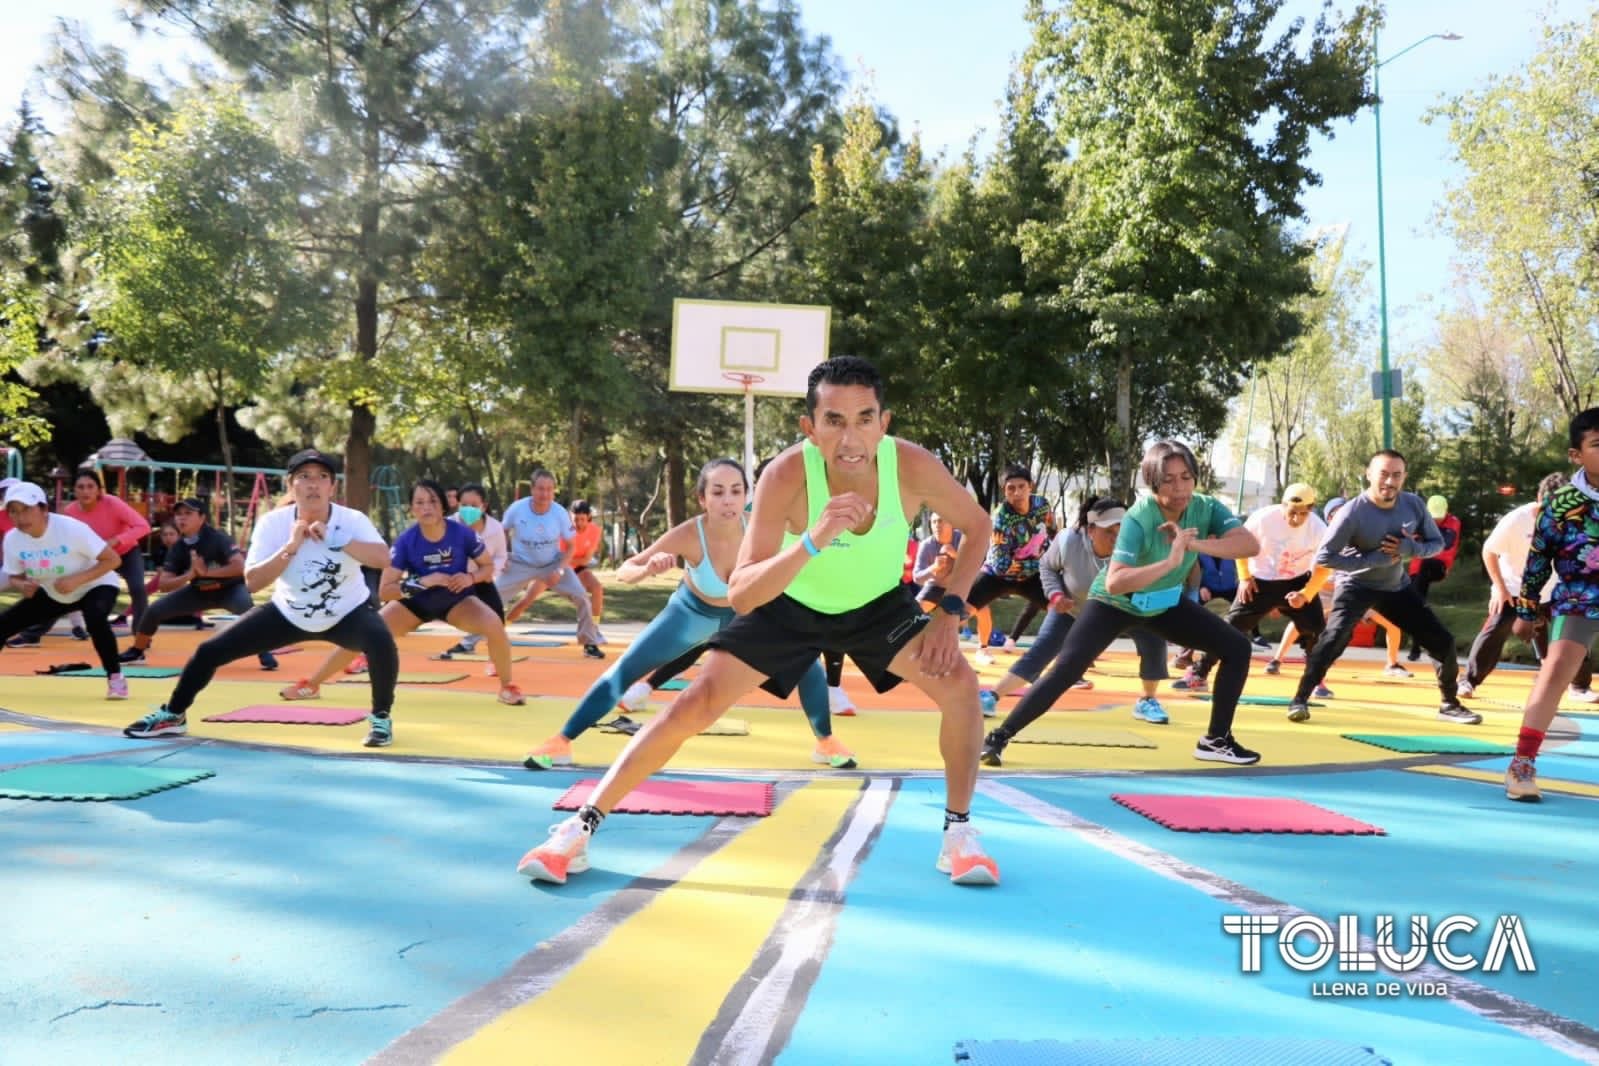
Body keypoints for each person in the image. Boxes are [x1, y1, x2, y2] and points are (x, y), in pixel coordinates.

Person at [517, 356, 1002, 886]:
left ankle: (958, 834)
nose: (850, 437)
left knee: (960, 685)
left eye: (865, 418)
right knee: (694, 702)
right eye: (834, 421)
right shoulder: (787, 475)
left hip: (878, 606)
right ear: (809, 428)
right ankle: (579, 827)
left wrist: (950, 612)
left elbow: (978, 527)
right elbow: (744, 593)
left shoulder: (912, 466)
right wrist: (814, 539)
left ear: (884, 423)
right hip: (788, 605)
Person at [521, 458, 854, 771]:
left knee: (808, 665)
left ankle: (825, 742)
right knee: (626, 669)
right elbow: (626, 570)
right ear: (702, 499)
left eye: (736, 492)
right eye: (718, 492)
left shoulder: (759, 525)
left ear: (746, 497)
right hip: (693, 613)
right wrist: (646, 569)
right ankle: (561, 741)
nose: (728, 501)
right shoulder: (689, 534)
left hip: (746, 616)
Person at [979, 441, 1263, 768]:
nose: (1180, 486)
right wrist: (1170, 563)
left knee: (1237, 648)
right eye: (1169, 479)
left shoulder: (1206, 507)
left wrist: (1193, 544)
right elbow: (1115, 580)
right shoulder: (1139, 518)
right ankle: (1000, 736)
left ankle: (1216, 739)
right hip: (1114, 603)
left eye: (1186, 477)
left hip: (1162, 605)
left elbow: (1249, 545)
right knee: (1066, 670)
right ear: (1154, 483)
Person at [122, 450, 401, 747]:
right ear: (291, 485)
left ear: (332, 487)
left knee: (382, 642)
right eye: (304, 477)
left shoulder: (351, 520)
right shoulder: (273, 523)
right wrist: (291, 546)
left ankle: (381, 718)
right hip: (288, 613)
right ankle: (173, 714)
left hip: (347, 612)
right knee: (208, 651)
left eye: (322, 478)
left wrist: (339, 539)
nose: (313, 485)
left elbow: (382, 558)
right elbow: (253, 582)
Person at [278, 479, 526, 706]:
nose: (426, 507)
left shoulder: (462, 533)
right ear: (412, 509)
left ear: (443, 506)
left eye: (432, 502)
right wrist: (425, 582)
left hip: (456, 601)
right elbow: (386, 591)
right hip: (415, 604)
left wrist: (470, 577)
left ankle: (507, 687)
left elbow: (488, 566)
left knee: (494, 623)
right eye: (419, 502)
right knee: (362, 635)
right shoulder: (407, 541)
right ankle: (312, 684)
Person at [1284, 450, 1478, 725]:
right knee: (1333, 640)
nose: (1390, 481)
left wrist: (1410, 548)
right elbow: (1325, 558)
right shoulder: (1353, 512)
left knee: (1442, 641)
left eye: (1396, 475)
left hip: (1395, 586)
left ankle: (1449, 703)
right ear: (1369, 475)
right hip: (1356, 585)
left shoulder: (1413, 505)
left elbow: (1437, 544)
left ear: (1404, 477)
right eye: (1384, 474)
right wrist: (1371, 560)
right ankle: (1300, 698)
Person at [980, 497, 1171, 722]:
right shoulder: (1069, 541)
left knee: (1154, 640)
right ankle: (991, 696)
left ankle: (1147, 700)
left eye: (1122, 529)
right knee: (1041, 651)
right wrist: (1055, 594)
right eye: (1109, 530)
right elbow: (1047, 566)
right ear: (1090, 530)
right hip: (1074, 609)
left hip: (1124, 608)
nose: (1117, 536)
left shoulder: (1136, 545)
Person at [1505, 408, 1599, 801]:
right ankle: (1522, 764)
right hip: (1579, 595)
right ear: (1576, 454)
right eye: (1598, 445)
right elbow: (1538, 560)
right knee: (1557, 668)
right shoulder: (1559, 504)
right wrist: (1527, 612)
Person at [1173, 483, 1327, 692]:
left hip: (1298, 582)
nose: (1296, 519)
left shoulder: (1319, 529)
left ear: (1311, 508)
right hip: (1260, 581)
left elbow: (1324, 567)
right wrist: (1244, 578)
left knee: (1316, 630)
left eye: (1303, 513)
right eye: (1292, 513)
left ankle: (1315, 680)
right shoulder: (1262, 518)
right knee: (1229, 627)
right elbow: (1241, 544)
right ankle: (1199, 673)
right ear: (1282, 505)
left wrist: (1306, 594)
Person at [1462, 473, 1595, 702]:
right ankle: (1468, 681)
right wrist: (1500, 588)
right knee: (1497, 627)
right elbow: (1489, 551)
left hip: (1552, 590)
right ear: (1539, 499)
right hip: (1515, 588)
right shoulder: (1516, 519)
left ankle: (1579, 686)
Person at [453, 469, 604, 659]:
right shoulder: (517, 509)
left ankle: (589, 643)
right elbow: (501, 532)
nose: (545, 494)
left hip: (552, 563)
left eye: (549, 489)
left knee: (581, 596)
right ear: (532, 490)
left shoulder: (559, 513)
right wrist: (503, 556)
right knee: (492, 599)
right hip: (520, 563)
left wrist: (559, 569)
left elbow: (571, 547)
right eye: (540, 489)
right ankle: (468, 643)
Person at [1, 481, 132, 699]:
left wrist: (77, 580)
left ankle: (116, 678)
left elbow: (113, 560)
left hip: (96, 584)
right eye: (13, 511)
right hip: (56, 591)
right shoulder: (13, 539)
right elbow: (14, 575)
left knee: (96, 618)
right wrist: (22, 585)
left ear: (43, 509)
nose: (20, 517)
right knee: (4, 623)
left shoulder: (70, 528)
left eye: (26, 509)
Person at [118, 498, 278, 670]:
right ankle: (137, 650)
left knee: (249, 612)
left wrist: (207, 573)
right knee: (154, 610)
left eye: (188, 514)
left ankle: (264, 651)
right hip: (198, 592)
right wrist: (190, 574)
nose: (182, 518)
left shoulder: (218, 538)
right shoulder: (178, 547)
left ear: (202, 518)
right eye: (179, 514)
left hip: (229, 590)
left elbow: (240, 567)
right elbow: (164, 584)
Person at [969, 466, 1058, 665]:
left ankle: (1066, 664)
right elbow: (1002, 565)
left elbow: (1051, 531)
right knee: (959, 610)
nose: (1017, 493)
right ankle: (932, 653)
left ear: (1030, 486)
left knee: (1062, 609)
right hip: (997, 575)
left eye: (1021, 487)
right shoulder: (1000, 516)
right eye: (1011, 488)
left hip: (1032, 575)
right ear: (1004, 491)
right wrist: (1040, 561)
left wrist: (1053, 558)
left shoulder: (1042, 504)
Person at [63, 468, 152, 630]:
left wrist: (116, 540)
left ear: (98, 490)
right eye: (80, 487)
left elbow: (144, 526)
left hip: (126, 553)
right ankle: (33, 634)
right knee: (66, 584)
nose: (86, 491)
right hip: (98, 559)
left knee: (138, 588)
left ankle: (141, 633)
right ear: (74, 490)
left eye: (90, 486)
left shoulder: (113, 503)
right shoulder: (70, 512)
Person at [506, 498, 605, 625]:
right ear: (570, 516)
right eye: (576, 520)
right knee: (527, 600)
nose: (579, 524)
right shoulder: (562, 531)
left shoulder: (595, 531)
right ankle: (502, 624)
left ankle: (594, 627)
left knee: (597, 588)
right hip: (551, 568)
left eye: (583, 520)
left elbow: (585, 560)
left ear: (589, 517)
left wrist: (568, 560)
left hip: (575, 567)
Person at [1405, 494, 1462, 661]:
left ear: (1446, 512)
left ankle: (1420, 603)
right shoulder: (1420, 520)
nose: (1436, 520)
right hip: (1418, 568)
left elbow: (1444, 543)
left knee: (1426, 566)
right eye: (1433, 517)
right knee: (1415, 607)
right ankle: (1416, 646)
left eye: (1439, 517)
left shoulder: (1453, 522)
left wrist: (1419, 538)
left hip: (1438, 566)